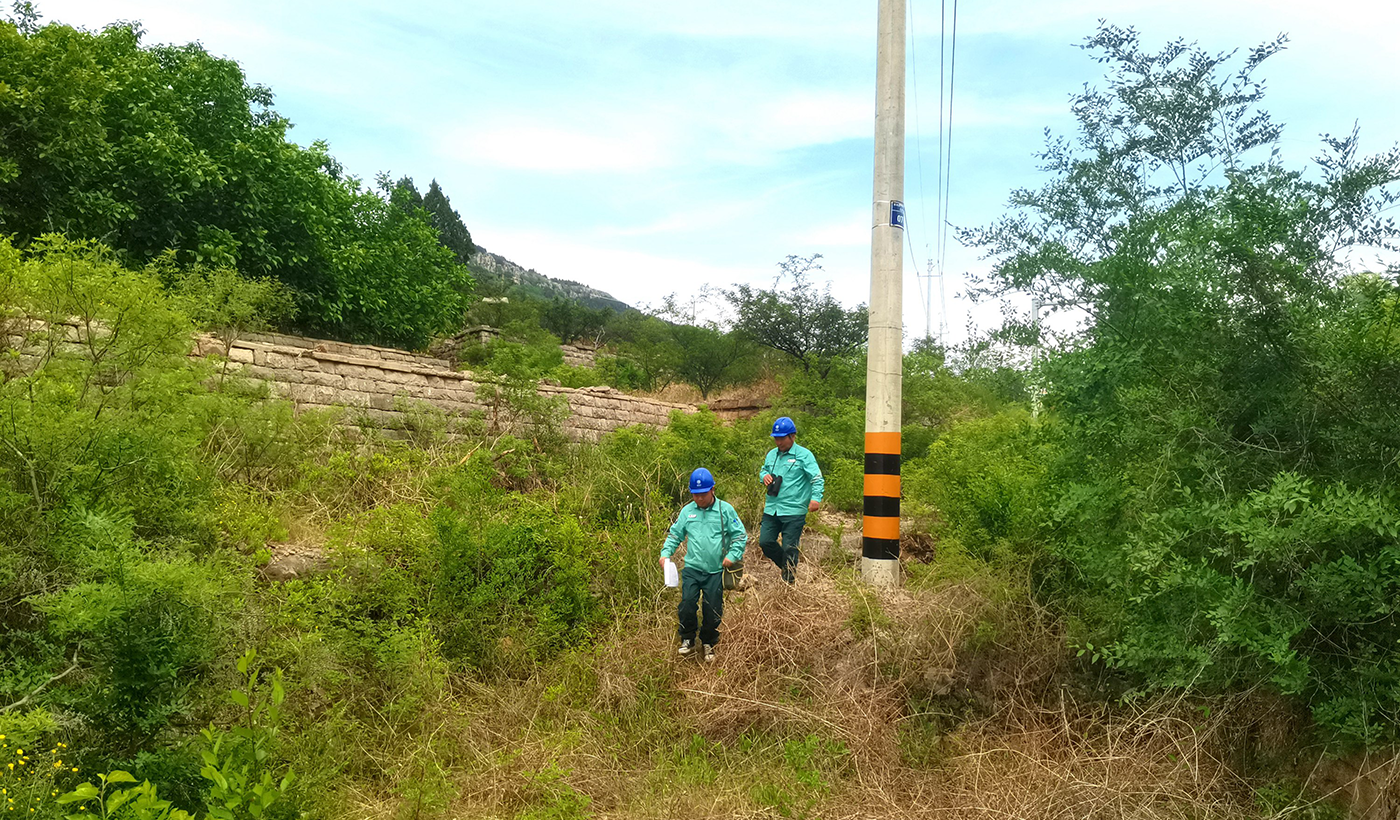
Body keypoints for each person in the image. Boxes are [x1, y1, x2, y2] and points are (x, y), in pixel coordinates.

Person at [660, 467, 748, 662]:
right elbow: (675, 535)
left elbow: (740, 535)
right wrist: (665, 554)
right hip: (692, 568)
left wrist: (733, 555)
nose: (699, 499)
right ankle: (687, 639)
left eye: (703, 494)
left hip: (715, 571)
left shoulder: (725, 510)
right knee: (687, 604)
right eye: (695, 494)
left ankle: (708, 642)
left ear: (713, 489)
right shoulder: (687, 511)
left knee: (712, 608)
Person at [759, 416, 824, 584]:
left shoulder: (804, 455)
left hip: (794, 511)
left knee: (789, 548)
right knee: (765, 542)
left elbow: (817, 478)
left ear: (792, 436)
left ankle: (788, 583)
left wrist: (815, 499)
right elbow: (763, 470)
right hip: (772, 508)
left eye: (782, 438)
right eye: (776, 438)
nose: (778, 442)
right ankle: (788, 567)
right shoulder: (771, 455)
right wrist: (764, 476)